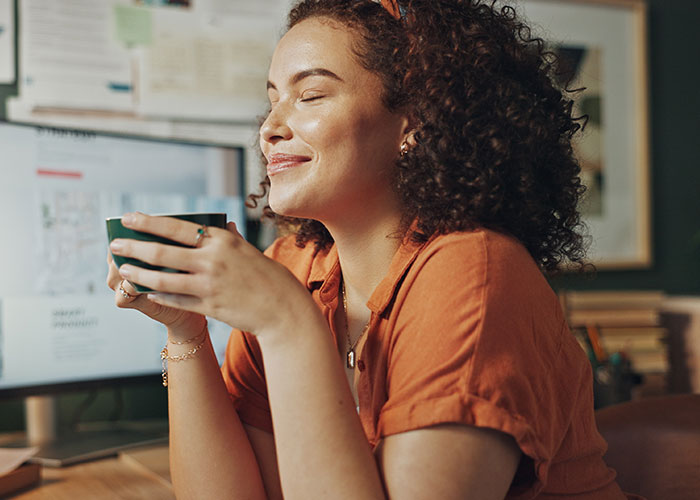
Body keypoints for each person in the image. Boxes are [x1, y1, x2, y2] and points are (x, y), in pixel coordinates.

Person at [107, 0, 643, 498]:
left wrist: (290, 327)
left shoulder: (473, 273)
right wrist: (186, 330)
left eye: (310, 95)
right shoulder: (294, 268)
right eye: (272, 100)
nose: (270, 128)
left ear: (414, 121)